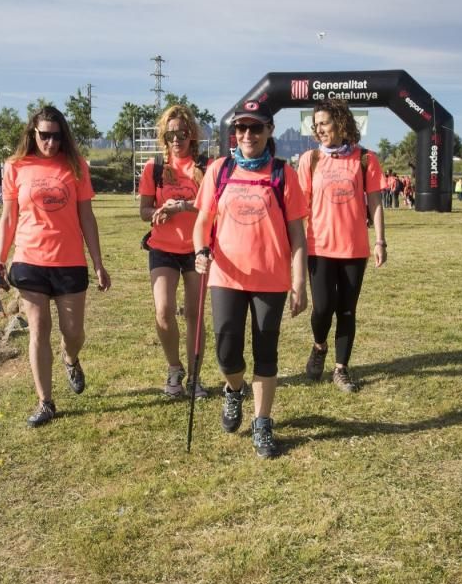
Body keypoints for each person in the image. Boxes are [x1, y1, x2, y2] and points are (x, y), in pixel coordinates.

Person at [193, 100, 308, 459]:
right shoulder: (219, 170)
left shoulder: (282, 174)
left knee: (266, 352)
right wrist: (200, 250)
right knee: (227, 353)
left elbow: (298, 236)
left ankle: (262, 422)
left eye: (255, 128)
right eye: (241, 128)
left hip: (270, 279)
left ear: (269, 131)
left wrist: (299, 283)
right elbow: (202, 221)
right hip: (226, 276)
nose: (247, 135)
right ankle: (233, 390)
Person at [0, 106, 111, 427]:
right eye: (44, 135)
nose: (50, 142)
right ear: (33, 134)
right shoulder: (16, 167)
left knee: (72, 332)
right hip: (29, 260)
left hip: (69, 261)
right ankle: (45, 402)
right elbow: (8, 218)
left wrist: (98, 262)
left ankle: (70, 358)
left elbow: (87, 216)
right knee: (38, 330)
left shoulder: (75, 166)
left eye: (56, 136)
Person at [296, 98, 386, 392]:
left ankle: (341, 369)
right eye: (316, 124)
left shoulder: (365, 159)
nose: (318, 129)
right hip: (319, 247)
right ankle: (319, 346)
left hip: (354, 249)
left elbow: (375, 202)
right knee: (322, 308)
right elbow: (300, 206)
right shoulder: (310, 159)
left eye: (324, 123)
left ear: (341, 122)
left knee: (346, 310)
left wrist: (380, 241)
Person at [138, 105, 208, 399]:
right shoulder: (154, 168)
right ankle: (174, 369)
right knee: (164, 311)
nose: (177, 139)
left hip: (196, 249)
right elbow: (143, 211)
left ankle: (194, 377)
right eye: (171, 134)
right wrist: (158, 212)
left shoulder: (205, 166)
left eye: (182, 133)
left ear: (191, 135)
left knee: (194, 314)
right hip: (162, 249)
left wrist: (184, 206)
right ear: (163, 137)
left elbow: (214, 207)